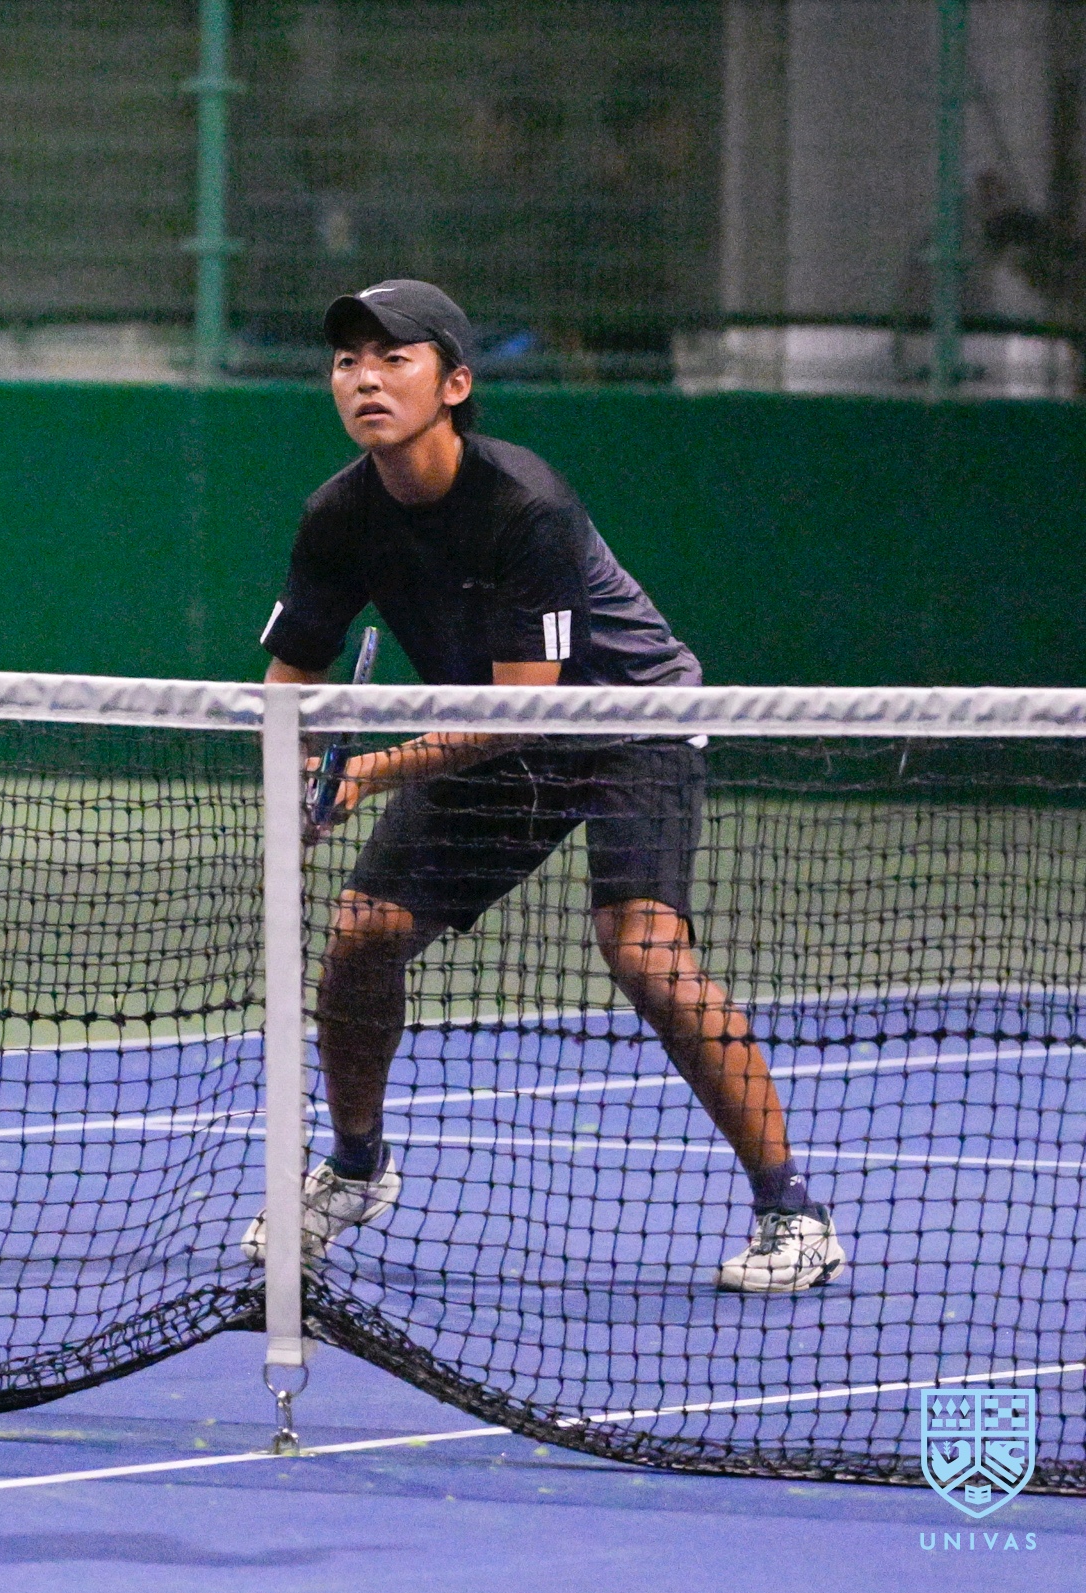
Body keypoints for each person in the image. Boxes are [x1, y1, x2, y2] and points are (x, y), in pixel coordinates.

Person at [240, 279, 843, 1294]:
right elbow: (291, 674)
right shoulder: (339, 516)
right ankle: (354, 1168)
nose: (365, 378)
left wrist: (366, 775)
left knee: (643, 951)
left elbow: (523, 711)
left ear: (455, 384)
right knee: (363, 933)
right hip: (498, 729)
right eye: (348, 361)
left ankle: (795, 1213)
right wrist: (296, 765)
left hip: (624, 721)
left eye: (393, 358)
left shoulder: (526, 505)